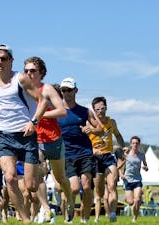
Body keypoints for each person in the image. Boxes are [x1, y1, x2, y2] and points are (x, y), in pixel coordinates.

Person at [0, 44, 47, 223]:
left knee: (31, 186)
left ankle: (40, 171)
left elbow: (42, 101)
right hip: (3, 135)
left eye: (3, 58)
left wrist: (33, 122)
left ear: (11, 60)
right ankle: (26, 219)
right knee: (10, 178)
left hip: (26, 135)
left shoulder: (21, 80)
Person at [24, 56, 73, 222]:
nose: (29, 73)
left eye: (33, 70)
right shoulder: (22, 90)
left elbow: (62, 111)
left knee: (60, 178)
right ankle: (46, 209)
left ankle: (71, 202)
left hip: (53, 139)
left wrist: (39, 115)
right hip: (34, 139)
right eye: (26, 71)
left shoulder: (48, 89)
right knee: (37, 174)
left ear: (41, 72)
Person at [56, 77, 103, 223]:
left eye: (69, 90)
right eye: (63, 90)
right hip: (66, 154)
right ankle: (68, 212)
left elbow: (100, 129)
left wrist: (92, 130)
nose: (66, 93)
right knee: (74, 189)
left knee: (87, 186)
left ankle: (85, 219)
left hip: (85, 152)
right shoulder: (57, 112)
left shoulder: (84, 111)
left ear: (75, 91)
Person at [88, 96, 125, 222]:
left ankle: (113, 214)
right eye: (97, 109)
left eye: (103, 108)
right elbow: (83, 142)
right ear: (93, 110)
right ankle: (99, 214)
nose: (101, 111)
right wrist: (92, 151)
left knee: (112, 185)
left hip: (109, 156)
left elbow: (118, 135)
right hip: (96, 158)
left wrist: (123, 147)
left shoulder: (111, 122)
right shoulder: (89, 123)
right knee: (99, 192)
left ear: (106, 108)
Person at [118, 136, 148, 223]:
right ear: (131, 144)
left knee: (137, 199)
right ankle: (131, 203)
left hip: (137, 180)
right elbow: (118, 167)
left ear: (139, 144)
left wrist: (145, 167)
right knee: (131, 202)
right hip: (127, 180)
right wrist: (121, 174)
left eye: (136, 143)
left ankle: (135, 218)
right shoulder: (126, 155)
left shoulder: (142, 155)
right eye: (133, 143)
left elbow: (146, 166)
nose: (135, 145)